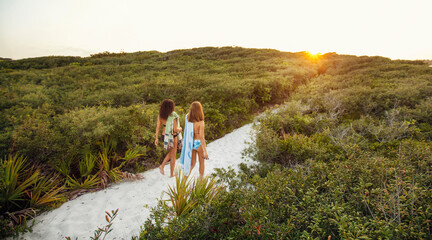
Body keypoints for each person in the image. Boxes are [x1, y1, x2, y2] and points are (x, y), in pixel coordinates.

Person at [154, 99, 182, 177]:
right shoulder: (173, 115)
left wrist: (156, 138)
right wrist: (181, 129)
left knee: (172, 152)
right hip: (173, 136)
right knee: (173, 155)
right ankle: (170, 173)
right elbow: (175, 129)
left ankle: (162, 166)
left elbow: (158, 127)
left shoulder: (160, 115)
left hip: (165, 135)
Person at [187, 101, 208, 178]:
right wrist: (205, 151)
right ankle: (201, 182)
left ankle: (183, 181)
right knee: (201, 163)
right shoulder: (201, 122)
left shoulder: (189, 121)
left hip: (192, 143)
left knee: (192, 164)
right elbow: (202, 137)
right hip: (198, 143)